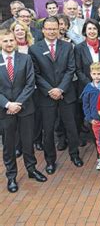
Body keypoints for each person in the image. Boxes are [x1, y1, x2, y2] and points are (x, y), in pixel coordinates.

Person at [28, 17, 83, 175]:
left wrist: (60, 89)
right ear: (43, 30)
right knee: (48, 130)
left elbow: (70, 69)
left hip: (66, 94)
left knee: (71, 127)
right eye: (49, 29)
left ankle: (74, 155)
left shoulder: (67, 47)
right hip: (46, 96)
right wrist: (50, 90)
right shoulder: (35, 49)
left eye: (55, 28)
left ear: (59, 29)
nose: (52, 32)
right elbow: (36, 74)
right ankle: (50, 161)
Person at [0, 29, 47, 193]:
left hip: (25, 107)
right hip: (5, 111)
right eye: (5, 41)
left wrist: (18, 102)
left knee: (28, 141)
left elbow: (30, 83)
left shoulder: (25, 58)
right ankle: (11, 176)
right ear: (0, 42)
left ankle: (32, 169)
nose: (9, 43)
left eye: (11, 40)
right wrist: (8, 104)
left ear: (16, 41)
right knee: (9, 145)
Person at [75, 19, 100, 94]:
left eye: (94, 28)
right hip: (87, 87)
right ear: (85, 31)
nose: (92, 31)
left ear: (98, 30)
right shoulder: (79, 48)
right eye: (89, 29)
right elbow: (78, 70)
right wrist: (92, 84)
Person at [80, 62, 100, 170]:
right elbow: (85, 105)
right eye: (94, 74)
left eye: (99, 74)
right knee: (99, 139)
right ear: (91, 74)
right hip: (96, 120)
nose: (97, 76)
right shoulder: (88, 88)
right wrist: (89, 118)